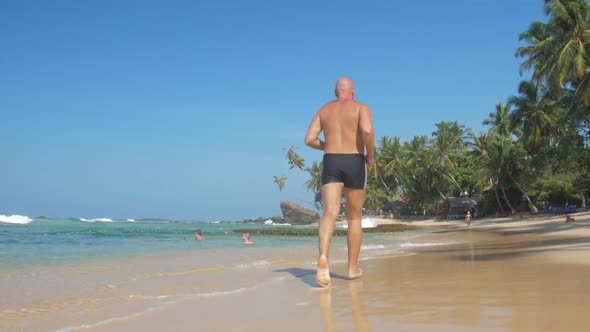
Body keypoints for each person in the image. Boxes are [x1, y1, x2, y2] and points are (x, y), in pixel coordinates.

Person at [304, 77, 375, 288]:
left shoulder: (324, 110)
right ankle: (352, 268)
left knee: (330, 212)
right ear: (353, 91)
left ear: (336, 92)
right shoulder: (361, 107)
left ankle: (323, 257)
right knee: (354, 218)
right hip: (354, 158)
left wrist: (327, 146)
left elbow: (309, 139)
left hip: (331, 160)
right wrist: (370, 156)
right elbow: (368, 131)